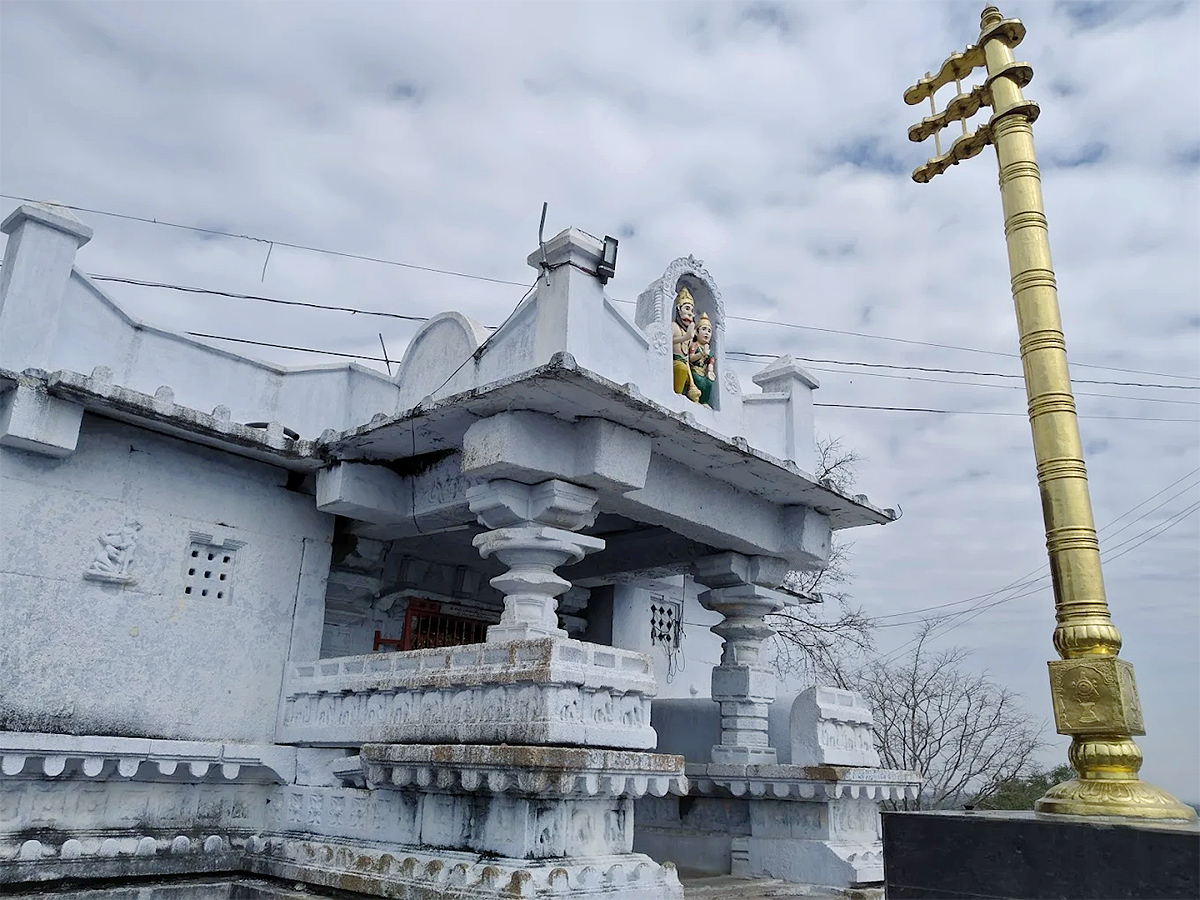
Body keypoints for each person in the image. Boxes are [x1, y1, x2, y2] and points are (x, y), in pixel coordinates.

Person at [671, 287, 701, 402]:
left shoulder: (688, 333)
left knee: (695, 376)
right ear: (678, 309)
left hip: (684, 363)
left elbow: (686, 357)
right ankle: (676, 395)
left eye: (691, 311)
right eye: (687, 308)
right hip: (675, 362)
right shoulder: (674, 326)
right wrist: (685, 337)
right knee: (681, 367)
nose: (689, 313)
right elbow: (667, 342)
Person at [689, 313, 716, 407]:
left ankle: (704, 401)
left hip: (704, 372)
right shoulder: (694, 345)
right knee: (698, 381)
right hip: (694, 370)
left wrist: (710, 371)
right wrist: (701, 354)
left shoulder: (709, 350)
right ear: (696, 332)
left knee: (708, 383)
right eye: (703, 329)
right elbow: (691, 358)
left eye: (709, 331)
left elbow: (710, 362)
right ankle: (694, 397)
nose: (707, 333)